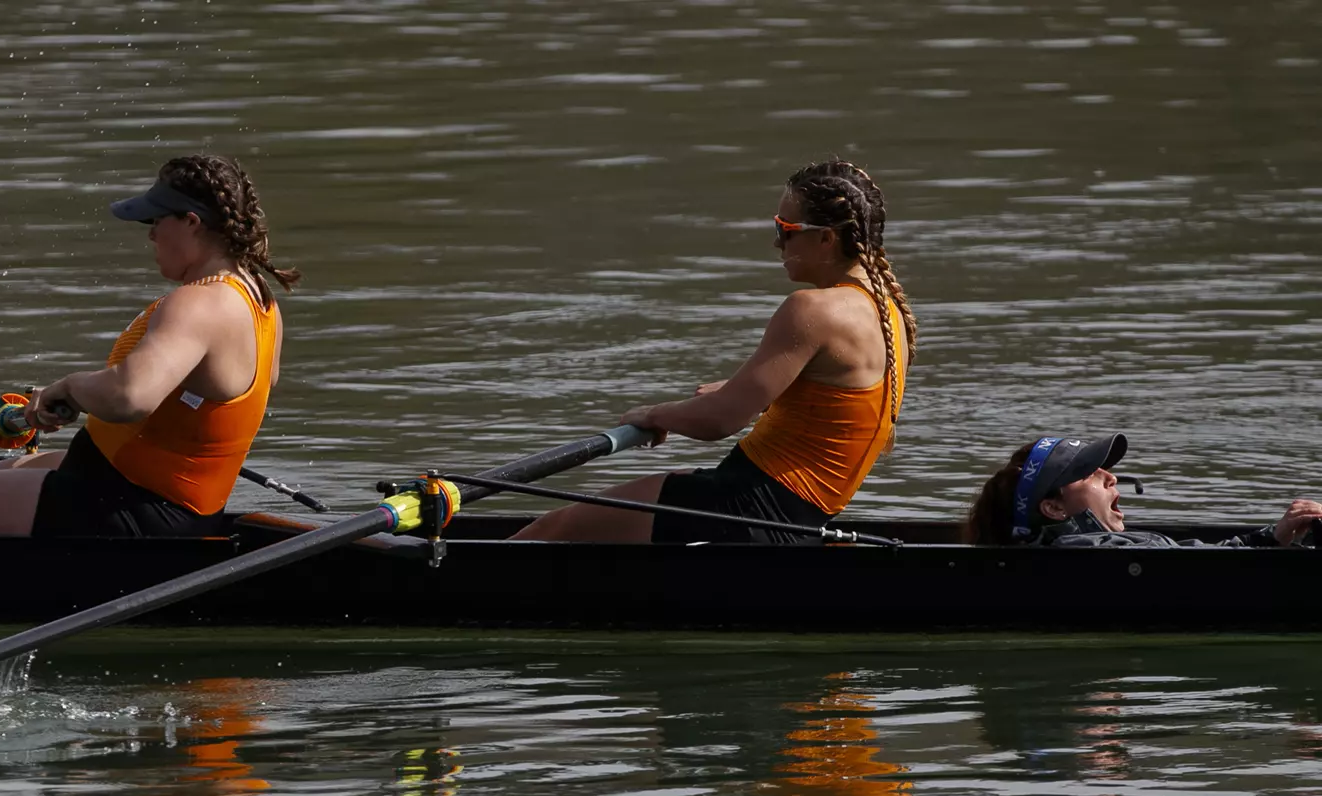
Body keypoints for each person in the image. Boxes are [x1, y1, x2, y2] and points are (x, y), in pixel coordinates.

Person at [0, 154, 298, 536]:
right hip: (144, 491)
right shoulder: (259, 301)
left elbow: (129, 397)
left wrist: (69, 387)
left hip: (127, 508)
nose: (149, 235)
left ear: (191, 222)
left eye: (155, 221)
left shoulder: (198, 304)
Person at [512, 159, 916, 543]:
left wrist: (653, 414)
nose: (777, 242)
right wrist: (745, 390)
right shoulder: (888, 313)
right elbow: (834, 404)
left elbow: (718, 422)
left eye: (785, 228)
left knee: (555, 528)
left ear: (826, 238)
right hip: (796, 518)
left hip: (746, 509)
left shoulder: (812, 309)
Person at [965, 433, 1322, 547]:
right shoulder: (1086, 549)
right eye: (1088, 472)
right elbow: (1194, 571)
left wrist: (1270, 538)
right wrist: (1272, 539)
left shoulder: (1100, 547)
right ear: (1054, 509)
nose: (1111, 477)